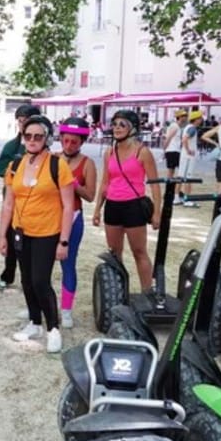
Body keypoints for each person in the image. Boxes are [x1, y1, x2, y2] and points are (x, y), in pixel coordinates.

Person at [0, 115, 74, 353]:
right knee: (26, 281)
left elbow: (69, 205)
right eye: (27, 136)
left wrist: (64, 240)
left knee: (41, 281)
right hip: (20, 232)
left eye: (37, 136)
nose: (32, 140)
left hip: (47, 232)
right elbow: (8, 203)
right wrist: (2, 235)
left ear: (46, 138)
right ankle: (34, 322)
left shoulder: (57, 164)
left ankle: (53, 328)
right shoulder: (15, 165)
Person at [92, 110, 162, 303]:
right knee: (115, 254)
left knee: (139, 252)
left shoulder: (143, 152)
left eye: (122, 124)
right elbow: (105, 182)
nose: (116, 128)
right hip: (113, 206)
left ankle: (147, 294)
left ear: (133, 128)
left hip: (134, 207)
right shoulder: (109, 152)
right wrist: (98, 209)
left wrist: (157, 212)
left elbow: (155, 184)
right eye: (114, 124)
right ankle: (118, 294)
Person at [56, 117, 97, 328]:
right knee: (40, 264)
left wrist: (73, 184)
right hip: (51, 217)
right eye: (65, 141)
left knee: (68, 263)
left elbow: (91, 195)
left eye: (74, 141)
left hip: (73, 218)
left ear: (81, 142)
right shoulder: (53, 158)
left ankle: (66, 310)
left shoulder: (87, 163)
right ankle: (36, 304)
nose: (69, 145)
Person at [0, 104, 39, 291]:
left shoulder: (42, 147)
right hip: (13, 201)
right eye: (20, 121)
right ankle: (8, 273)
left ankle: (32, 277)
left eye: (26, 121)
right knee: (12, 238)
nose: (22, 125)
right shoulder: (11, 147)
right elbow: (3, 172)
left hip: (35, 203)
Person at [178, 110, 203, 206]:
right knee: (189, 178)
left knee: (181, 177)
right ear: (196, 119)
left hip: (185, 156)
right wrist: (188, 150)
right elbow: (184, 139)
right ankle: (187, 199)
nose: (201, 120)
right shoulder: (192, 128)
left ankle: (177, 197)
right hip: (188, 156)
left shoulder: (187, 127)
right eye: (200, 118)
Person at [163, 109, 187, 204]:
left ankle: (170, 192)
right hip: (173, 151)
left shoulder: (176, 126)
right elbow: (168, 138)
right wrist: (164, 149)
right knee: (178, 172)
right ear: (179, 117)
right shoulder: (175, 126)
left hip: (173, 151)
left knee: (171, 172)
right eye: (183, 116)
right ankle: (174, 193)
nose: (185, 118)